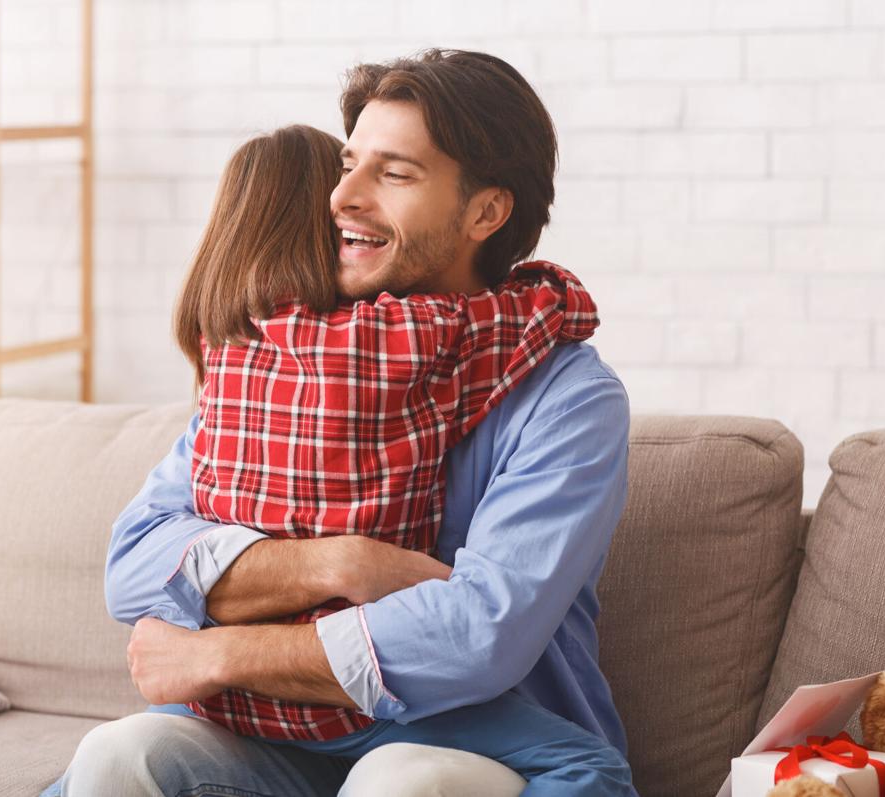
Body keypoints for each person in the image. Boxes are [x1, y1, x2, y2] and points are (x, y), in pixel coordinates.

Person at [49, 48, 634, 797]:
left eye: (394, 174)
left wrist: (222, 654)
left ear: (485, 212)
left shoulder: (568, 396)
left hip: (487, 745)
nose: (342, 197)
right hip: (279, 742)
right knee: (121, 753)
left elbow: (478, 636)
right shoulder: (294, 362)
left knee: (401, 778)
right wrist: (343, 563)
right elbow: (133, 566)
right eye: (348, 163)